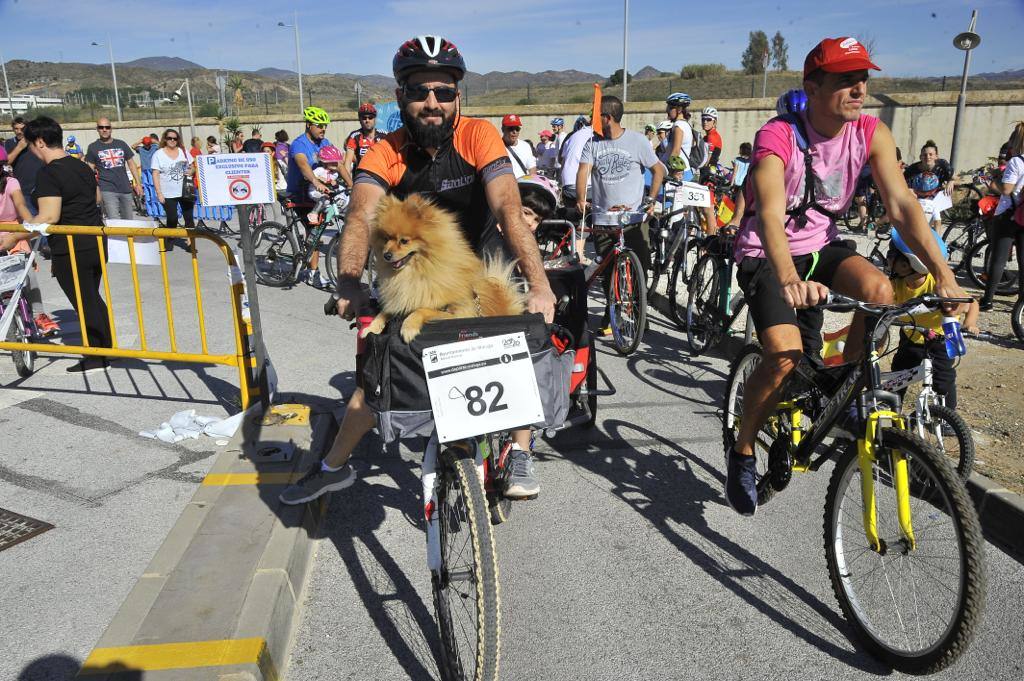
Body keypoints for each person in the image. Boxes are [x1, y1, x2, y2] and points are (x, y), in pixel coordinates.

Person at [279, 35, 556, 506]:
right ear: (401, 96)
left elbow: (509, 208)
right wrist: (349, 282)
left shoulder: (478, 135)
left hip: (478, 266)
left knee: (517, 344)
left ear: (457, 97)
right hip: (411, 274)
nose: (433, 103)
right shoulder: (385, 150)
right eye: (419, 91)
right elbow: (360, 215)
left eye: (444, 92)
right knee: (375, 372)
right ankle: (332, 468)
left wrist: (541, 284)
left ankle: (520, 449)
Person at [725, 37, 968, 517]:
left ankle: (841, 397)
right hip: (768, 254)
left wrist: (944, 274)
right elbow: (771, 214)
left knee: (880, 290)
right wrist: (789, 278)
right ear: (811, 86)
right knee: (783, 356)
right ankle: (744, 448)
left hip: (821, 247)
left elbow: (902, 205)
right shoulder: (779, 135)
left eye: (863, 79)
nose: (858, 89)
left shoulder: (871, 133)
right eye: (845, 80)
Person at [5, 117, 112, 372]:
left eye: (30, 145)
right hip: (95, 240)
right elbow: (96, 198)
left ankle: (98, 356)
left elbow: (48, 217)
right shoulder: (81, 166)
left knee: (84, 300)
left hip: (72, 247)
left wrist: (15, 236)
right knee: (91, 297)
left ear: (39, 142)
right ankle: (106, 349)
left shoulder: (50, 173)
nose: (31, 150)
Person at [576, 95, 666, 331]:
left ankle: (639, 313)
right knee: (607, 270)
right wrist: (580, 198)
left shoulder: (637, 141)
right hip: (604, 218)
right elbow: (583, 171)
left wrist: (651, 199)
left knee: (639, 267)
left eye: (597, 116)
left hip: (634, 220)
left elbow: (658, 170)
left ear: (607, 118)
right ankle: (611, 312)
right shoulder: (592, 143)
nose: (593, 120)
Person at [887, 228, 978, 411]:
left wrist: (970, 323)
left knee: (943, 379)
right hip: (911, 337)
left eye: (891, 254)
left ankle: (947, 416)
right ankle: (890, 410)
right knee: (898, 376)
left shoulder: (937, 284)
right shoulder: (895, 284)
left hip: (942, 338)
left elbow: (971, 301)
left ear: (907, 265)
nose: (887, 258)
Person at [0, 148, 59, 336]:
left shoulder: (11, 182)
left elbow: (20, 204)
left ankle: (39, 314)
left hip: (14, 231)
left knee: (27, 276)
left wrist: (31, 225)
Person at [980, 121, 1024, 310]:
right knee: (1023, 260)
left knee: (998, 259)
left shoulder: (1016, 162)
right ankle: (1021, 303)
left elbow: (1006, 189)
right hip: (1023, 214)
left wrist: (991, 183)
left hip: (1007, 214)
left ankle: (988, 300)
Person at [85, 117, 142, 220]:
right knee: (114, 220)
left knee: (129, 220)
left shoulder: (121, 144)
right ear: (97, 129)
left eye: (107, 127)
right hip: (107, 189)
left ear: (111, 129)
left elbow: (131, 163)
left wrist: (138, 184)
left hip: (125, 188)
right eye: (101, 127)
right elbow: (89, 170)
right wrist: (94, 190)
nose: (104, 129)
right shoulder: (93, 147)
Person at [904, 140, 954, 231]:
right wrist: (908, 190)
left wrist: (951, 181)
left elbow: (957, 178)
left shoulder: (943, 165)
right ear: (920, 157)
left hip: (936, 197)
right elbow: (901, 181)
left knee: (933, 219)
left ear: (936, 156)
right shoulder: (913, 169)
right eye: (925, 155)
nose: (928, 157)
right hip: (917, 197)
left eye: (931, 154)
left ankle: (936, 238)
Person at [151, 128, 195, 231]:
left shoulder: (183, 151)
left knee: (189, 218)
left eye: (175, 138)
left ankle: (191, 243)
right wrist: (159, 193)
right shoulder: (158, 154)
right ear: (165, 139)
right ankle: (170, 241)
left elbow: (192, 166)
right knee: (172, 218)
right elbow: (155, 174)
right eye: (169, 138)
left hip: (185, 190)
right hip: (168, 193)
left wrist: (191, 171)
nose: (172, 140)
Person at [4, 117, 45, 213]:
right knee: (30, 221)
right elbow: (6, 162)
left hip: (41, 187)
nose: (19, 132)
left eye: (22, 129)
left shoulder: (36, 140)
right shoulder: (9, 143)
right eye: (16, 129)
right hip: (23, 189)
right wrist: (19, 147)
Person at [341, 103, 384, 188]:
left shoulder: (384, 135)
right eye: (364, 118)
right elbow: (348, 161)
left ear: (375, 119)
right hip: (362, 179)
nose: (367, 120)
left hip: (381, 178)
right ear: (360, 120)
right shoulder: (354, 136)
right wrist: (348, 183)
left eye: (370, 117)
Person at [501, 113, 536, 178]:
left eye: (517, 129)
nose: (514, 132)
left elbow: (532, 169)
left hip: (523, 185)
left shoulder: (525, 146)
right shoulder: (496, 146)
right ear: (503, 129)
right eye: (511, 128)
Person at [699, 107, 723, 182]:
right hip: (710, 169)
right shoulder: (708, 136)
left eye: (709, 119)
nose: (705, 122)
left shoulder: (712, 136)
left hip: (707, 171)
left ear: (714, 122)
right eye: (703, 119)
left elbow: (707, 159)